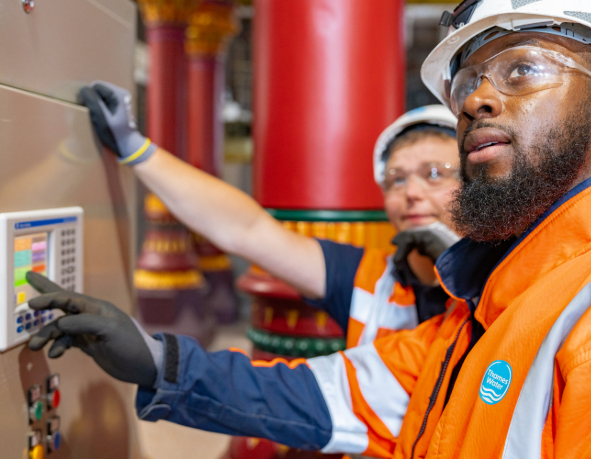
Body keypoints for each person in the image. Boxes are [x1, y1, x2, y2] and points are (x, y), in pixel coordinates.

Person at [28, 0, 591, 456]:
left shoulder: (568, 309)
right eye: (395, 179)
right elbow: (328, 388)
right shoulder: (459, 312)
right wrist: (157, 360)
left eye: (524, 70)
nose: (479, 100)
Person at [77, 82, 461, 347]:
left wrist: (463, 272)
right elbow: (247, 229)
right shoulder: (367, 281)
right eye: (395, 179)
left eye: (433, 174)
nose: (410, 192)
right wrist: (135, 150)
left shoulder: (503, 288)